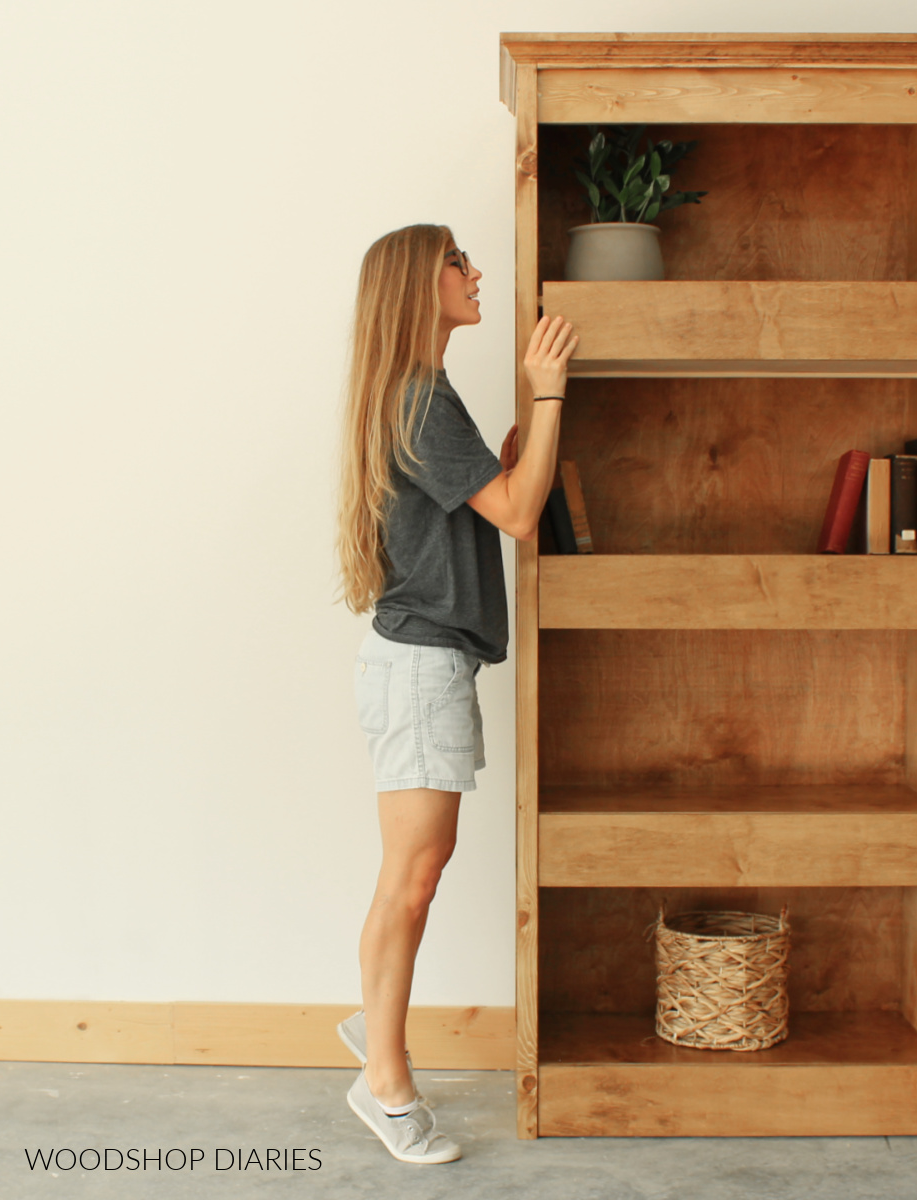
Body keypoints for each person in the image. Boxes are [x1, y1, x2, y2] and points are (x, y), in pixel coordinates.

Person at [334, 223, 576, 1164]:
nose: (475, 275)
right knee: (414, 877)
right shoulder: (420, 398)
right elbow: (517, 516)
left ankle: (375, 1029)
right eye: (458, 263)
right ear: (415, 283)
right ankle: (383, 1081)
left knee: (416, 872)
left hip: (425, 663)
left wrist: (522, 445)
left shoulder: (424, 396)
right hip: (419, 667)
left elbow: (499, 495)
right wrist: (548, 394)